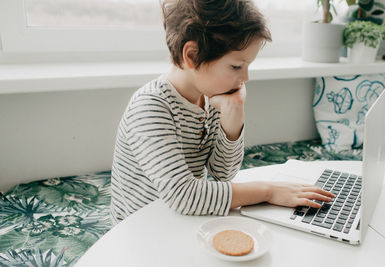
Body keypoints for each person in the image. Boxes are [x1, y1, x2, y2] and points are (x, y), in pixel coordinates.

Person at [110, 0, 334, 225]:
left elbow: (223, 174)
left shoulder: (211, 97)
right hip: (141, 229)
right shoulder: (150, 107)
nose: (245, 78)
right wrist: (268, 191)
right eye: (237, 66)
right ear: (192, 55)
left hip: (183, 220)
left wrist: (233, 116)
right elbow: (184, 196)